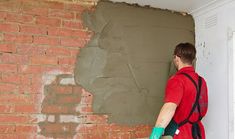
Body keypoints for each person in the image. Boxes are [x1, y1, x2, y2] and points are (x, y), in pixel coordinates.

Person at [150, 43, 208, 139]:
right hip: (198, 134)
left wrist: (155, 135)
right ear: (192, 60)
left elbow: (169, 108)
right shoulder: (202, 81)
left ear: (176, 58)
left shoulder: (177, 80)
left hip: (181, 134)